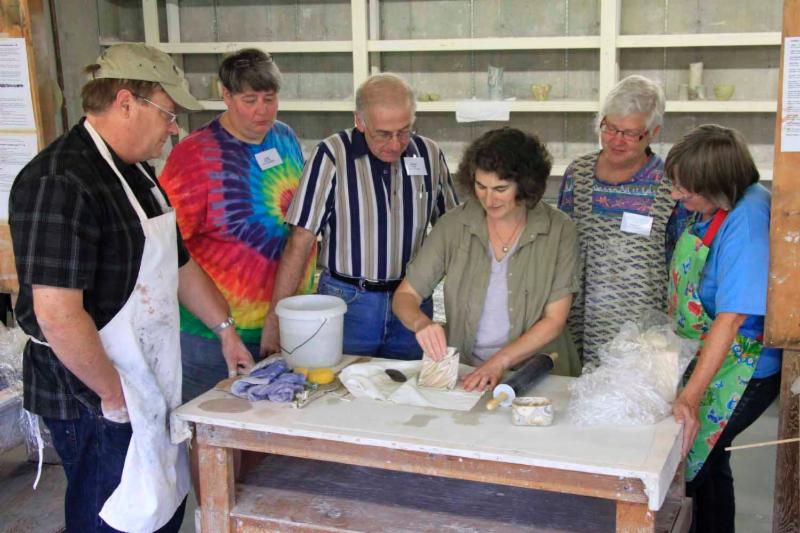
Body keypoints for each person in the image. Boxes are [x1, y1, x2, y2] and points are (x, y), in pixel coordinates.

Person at [9, 43, 253, 533]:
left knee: (160, 504)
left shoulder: (139, 173)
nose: (174, 128)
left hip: (146, 380)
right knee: (111, 517)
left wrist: (225, 329)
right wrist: (116, 397)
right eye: (168, 113)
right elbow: (57, 314)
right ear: (126, 102)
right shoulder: (61, 181)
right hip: (91, 394)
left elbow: (178, 264)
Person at [261, 73, 458, 359]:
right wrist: (276, 319)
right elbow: (300, 241)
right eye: (383, 134)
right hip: (349, 302)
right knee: (339, 390)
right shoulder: (332, 155)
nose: (394, 144)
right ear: (360, 121)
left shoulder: (428, 154)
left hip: (412, 302)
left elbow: (451, 232)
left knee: (407, 392)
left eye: (404, 131)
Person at [159, 48, 315, 403]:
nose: (262, 110)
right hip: (215, 335)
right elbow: (166, 249)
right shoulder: (194, 156)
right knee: (215, 434)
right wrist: (224, 328)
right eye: (249, 100)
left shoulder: (285, 137)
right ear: (225, 96)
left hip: (282, 325)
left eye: (269, 98)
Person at [392, 128, 580, 390]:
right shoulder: (454, 225)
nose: (489, 200)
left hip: (539, 373)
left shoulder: (559, 229)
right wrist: (421, 323)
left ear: (525, 185)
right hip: (469, 371)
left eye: (500, 189)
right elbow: (405, 296)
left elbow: (554, 321)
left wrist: (499, 362)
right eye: (481, 186)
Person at [665, 124, 781, 533]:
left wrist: (690, 397)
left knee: (696, 457)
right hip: (717, 353)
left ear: (719, 185)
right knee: (712, 462)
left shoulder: (748, 222)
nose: (678, 197)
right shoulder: (719, 206)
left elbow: (731, 319)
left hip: (746, 365)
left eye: (686, 191)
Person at [558, 74, 687, 367]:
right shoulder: (578, 174)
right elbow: (561, 246)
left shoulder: (669, 182)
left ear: (653, 133)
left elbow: (681, 263)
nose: (616, 140)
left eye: (630, 133)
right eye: (610, 128)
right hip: (581, 318)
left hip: (642, 328)